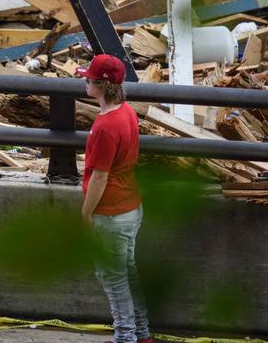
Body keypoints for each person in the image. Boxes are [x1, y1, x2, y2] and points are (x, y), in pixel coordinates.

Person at [76, 54, 153, 343]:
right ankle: (142, 334)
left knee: (114, 282)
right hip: (130, 207)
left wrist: (86, 215)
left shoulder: (106, 126)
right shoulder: (127, 112)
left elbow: (99, 176)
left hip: (110, 213)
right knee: (127, 274)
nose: (84, 81)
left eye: (88, 78)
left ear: (102, 84)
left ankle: (126, 337)